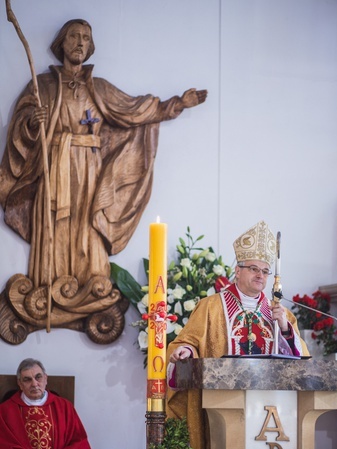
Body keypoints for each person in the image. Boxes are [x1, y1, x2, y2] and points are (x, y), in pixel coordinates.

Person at [0, 18, 207, 309]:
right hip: (55, 169)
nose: (81, 42)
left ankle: (90, 288)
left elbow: (135, 110)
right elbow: (22, 127)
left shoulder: (98, 87)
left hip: (89, 172)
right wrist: (33, 123)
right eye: (74, 36)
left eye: (86, 37)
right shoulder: (43, 85)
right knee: (54, 225)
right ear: (61, 43)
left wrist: (177, 104)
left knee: (88, 226)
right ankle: (48, 291)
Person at [166, 220, 309, 449]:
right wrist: (185, 353)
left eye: (265, 271)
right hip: (222, 408)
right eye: (254, 268)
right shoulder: (210, 307)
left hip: (270, 412)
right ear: (237, 270)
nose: (261, 276)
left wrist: (284, 330)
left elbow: (300, 358)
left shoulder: (280, 313)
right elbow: (187, 342)